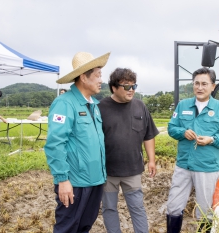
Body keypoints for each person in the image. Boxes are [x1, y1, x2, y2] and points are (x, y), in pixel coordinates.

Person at [44, 51, 110, 233]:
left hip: (95, 180)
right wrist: (62, 179)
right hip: (75, 182)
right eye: (97, 75)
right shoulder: (64, 104)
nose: (100, 80)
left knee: (84, 226)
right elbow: (55, 144)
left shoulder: (94, 105)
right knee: (67, 227)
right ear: (83, 77)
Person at [166, 67, 219, 233]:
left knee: (204, 211)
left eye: (204, 84)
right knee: (173, 206)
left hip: (206, 167)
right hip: (183, 165)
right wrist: (182, 132)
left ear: (213, 86)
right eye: (196, 83)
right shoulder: (183, 105)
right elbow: (171, 128)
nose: (199, 87)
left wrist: (212, 139)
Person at [98, 67, 159, 233]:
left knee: (137, 207)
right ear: (114, 87)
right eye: (126, 86)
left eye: (134, 86)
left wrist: (151, 160)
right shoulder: (100, 107)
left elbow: (149, 135)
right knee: (109, 208)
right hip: (107, 171)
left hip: (132, 170)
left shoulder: (140, 106)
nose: (131, 90)